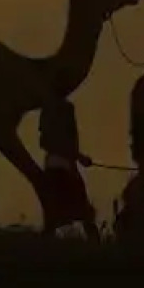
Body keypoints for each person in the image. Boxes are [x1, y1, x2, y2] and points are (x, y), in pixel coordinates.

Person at [38, 94, 99, 241]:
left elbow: (44, 141)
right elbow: (49, 141)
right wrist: (78, 156)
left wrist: (77, 156)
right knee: (84, 212)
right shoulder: (64, 108)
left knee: (54, 212)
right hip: (63, 167)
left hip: (58, 166)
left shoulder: (48, 108)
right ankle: (96, 248)